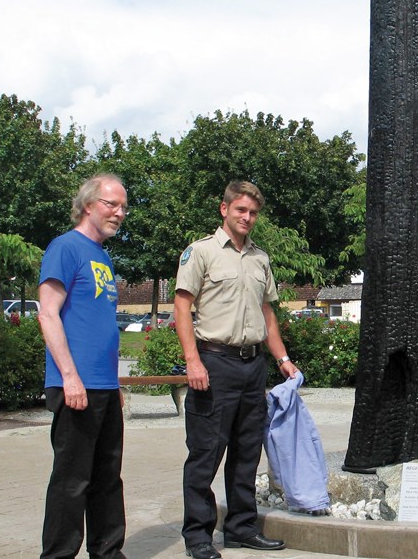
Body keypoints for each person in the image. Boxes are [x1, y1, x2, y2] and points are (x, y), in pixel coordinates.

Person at [175, 180, 298, 559]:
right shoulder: (200, 252)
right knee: (206, 453)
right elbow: (182, 308)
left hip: (253, 366)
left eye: (253, 212)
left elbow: (267, 314)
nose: (247, 217)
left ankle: (241, 529)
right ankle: (198, 536)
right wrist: (193, 360)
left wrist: (282, 359)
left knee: (247, 453)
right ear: (224, 209)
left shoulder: (260, 259)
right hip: (214, 364)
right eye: (241, 210)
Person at [38, 173, 128, 559]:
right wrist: (70, 378)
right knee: (72, 481)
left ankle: (108, 552)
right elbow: (48, 315)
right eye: (111, 204)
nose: (119, 213)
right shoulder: (65, 247)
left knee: (108, 478)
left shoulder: (103, 256)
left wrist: (114, 384)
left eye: (123, 206)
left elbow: (97, 324)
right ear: (88, 204)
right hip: (75, 386)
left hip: (104, 386)